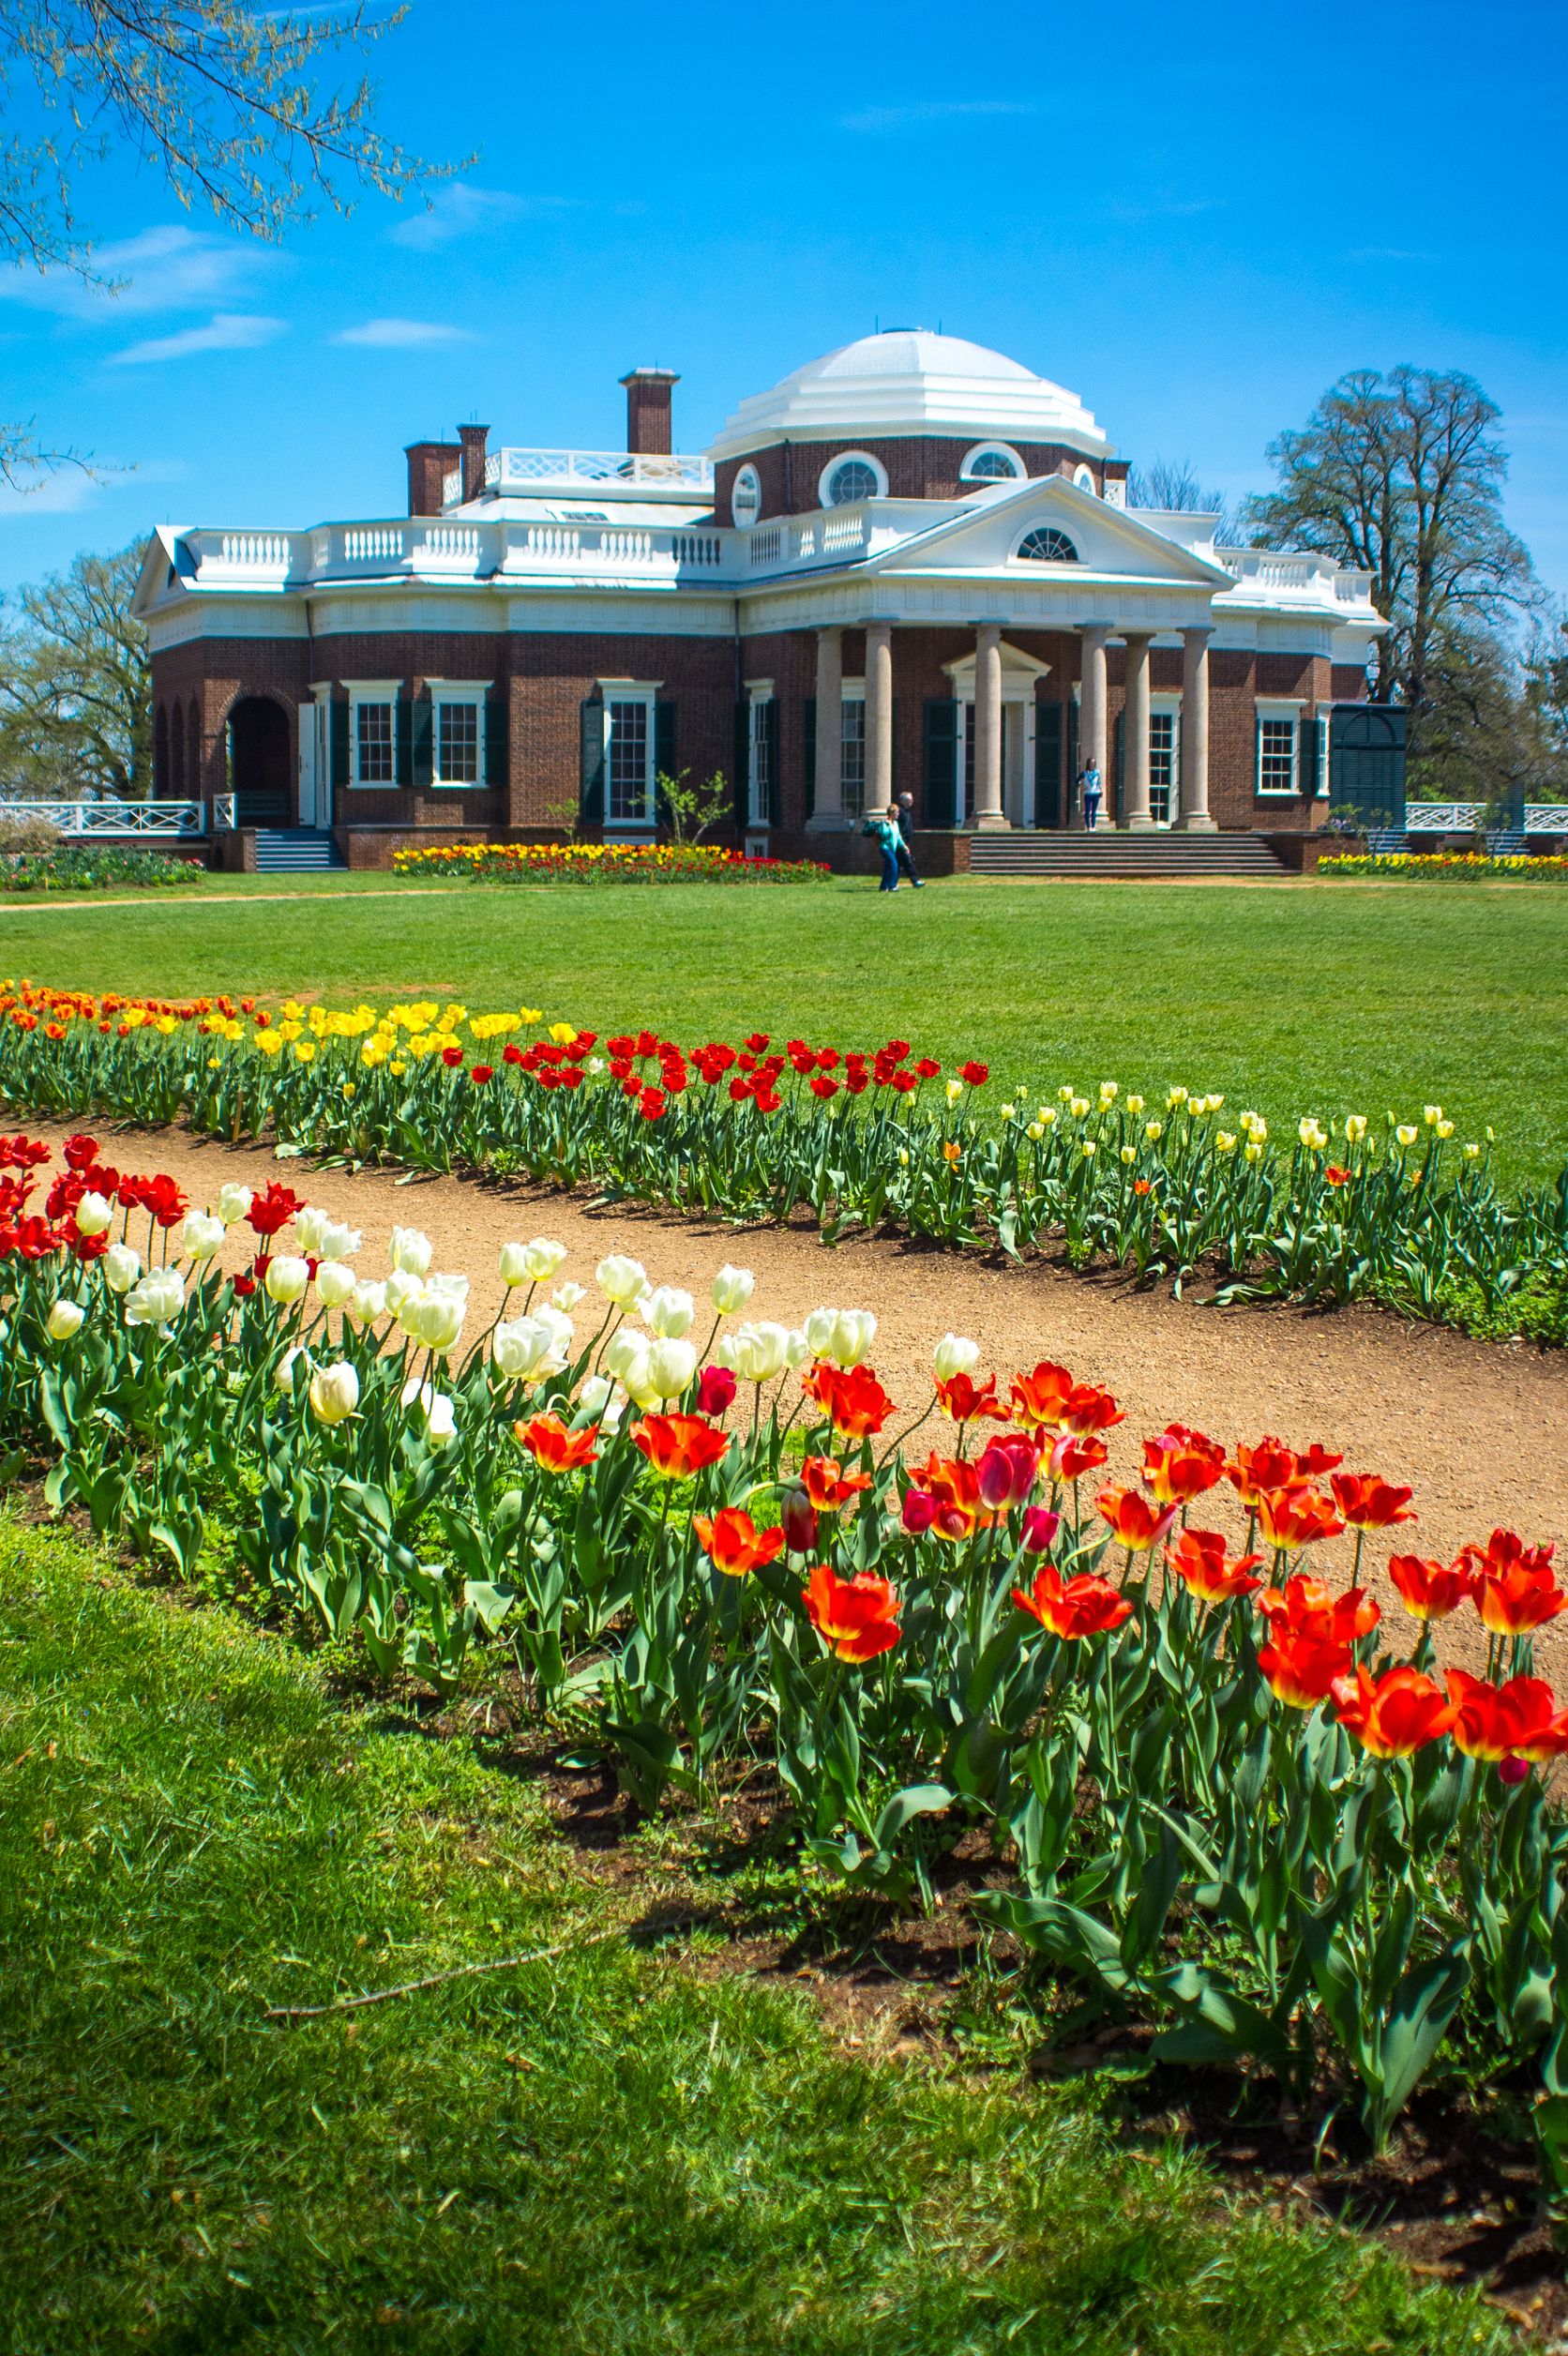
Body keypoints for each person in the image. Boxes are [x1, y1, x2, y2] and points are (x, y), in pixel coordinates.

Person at [861, 803, 903, 893]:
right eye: (897, 812)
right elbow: (883, 835)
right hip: (884, 848)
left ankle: (883, 887)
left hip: (892, 848)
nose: (898, 814)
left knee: (888, 867)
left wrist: (904, 846)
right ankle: (892, 886)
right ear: (892, 813)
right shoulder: (885, 824)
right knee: (894, 865)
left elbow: (898, 837)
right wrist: (887, 825)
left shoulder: (896, 823)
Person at [894, 792, 925, 887]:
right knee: (907, 861)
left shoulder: (906, 811)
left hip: (905, 842)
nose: (912, 800)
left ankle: (893, 883)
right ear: (903, 800)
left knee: (900, 863)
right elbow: (897, 828)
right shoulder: (900, 812)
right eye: (910, 799)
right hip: (900, 842)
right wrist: (902, 842)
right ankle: (915, 881)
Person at [1079, 759, 1103, 831]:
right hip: (1088, 793)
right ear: (1088, 764)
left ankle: (1093, 826)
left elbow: (1098, 782)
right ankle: (1088, 826)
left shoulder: (1097, 772)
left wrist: (1101, 790)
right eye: (1090, 763)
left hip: (1096, 793)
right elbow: (1078, 780)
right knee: (1087, 810)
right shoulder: (1085, 773)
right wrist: (1079, 784)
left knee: (1094, 811)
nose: (1092, 764)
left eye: (1093, 763)